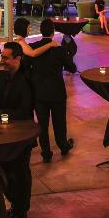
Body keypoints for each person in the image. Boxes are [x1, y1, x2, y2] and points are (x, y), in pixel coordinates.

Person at [0, 41, 35, 218]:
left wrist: (1, 113)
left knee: (20, 173)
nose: (2, 61)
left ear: (18, 58)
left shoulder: (27, 80)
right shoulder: (4, 76)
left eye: (5, 58)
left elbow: (25, 111)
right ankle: (14, 205)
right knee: (5, 170)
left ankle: (20, 211)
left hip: (22, 134)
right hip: (5, 133)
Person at [28, 19, 76, 163]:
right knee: (59, 122)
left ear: (40, 31)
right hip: (57, 92)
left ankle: (46, 153)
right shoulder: (59, 49)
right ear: (53, 32)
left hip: (39, 92)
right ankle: (63, 146)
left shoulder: (33, 48)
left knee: (42, 124)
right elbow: (72, 68)